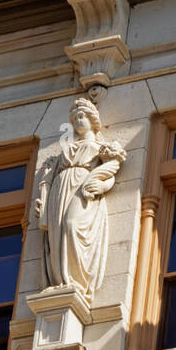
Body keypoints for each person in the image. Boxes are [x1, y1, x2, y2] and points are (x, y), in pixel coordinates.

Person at [35, 97, 126, 305]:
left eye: (82, 116)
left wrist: (102, 186)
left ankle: (76, 279)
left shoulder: (101, 147)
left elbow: (109, 172)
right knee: (57, 232)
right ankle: (61, 280)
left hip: (82, 187)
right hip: (61, 189)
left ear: (93, 120)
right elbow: (48, 177)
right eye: (74, 117)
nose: (77, 121)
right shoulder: (66, 150)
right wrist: (43, 198)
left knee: (72, 224)